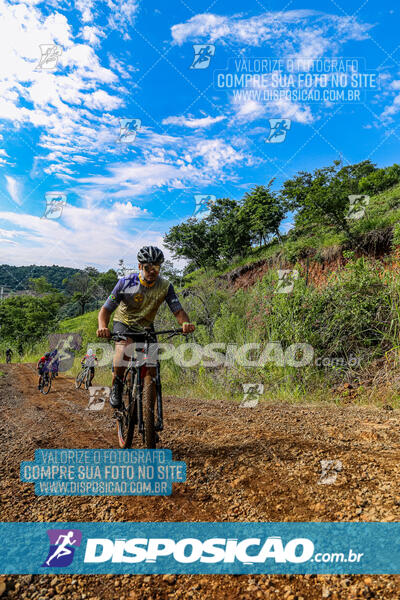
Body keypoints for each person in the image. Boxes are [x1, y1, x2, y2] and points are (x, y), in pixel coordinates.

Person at [97, 245, 195, 409]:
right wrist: (102, 326)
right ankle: (117, 385)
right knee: (123, 353)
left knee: (153, 369)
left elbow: (178, 311)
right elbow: (105, 310)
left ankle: (150, 422)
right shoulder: (126, 283)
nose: (152, 271)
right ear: (140, 266)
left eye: (156, 267)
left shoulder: (165, 286)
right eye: (148, 267)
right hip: (124, 324)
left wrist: (185, 323)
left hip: (146, 328)